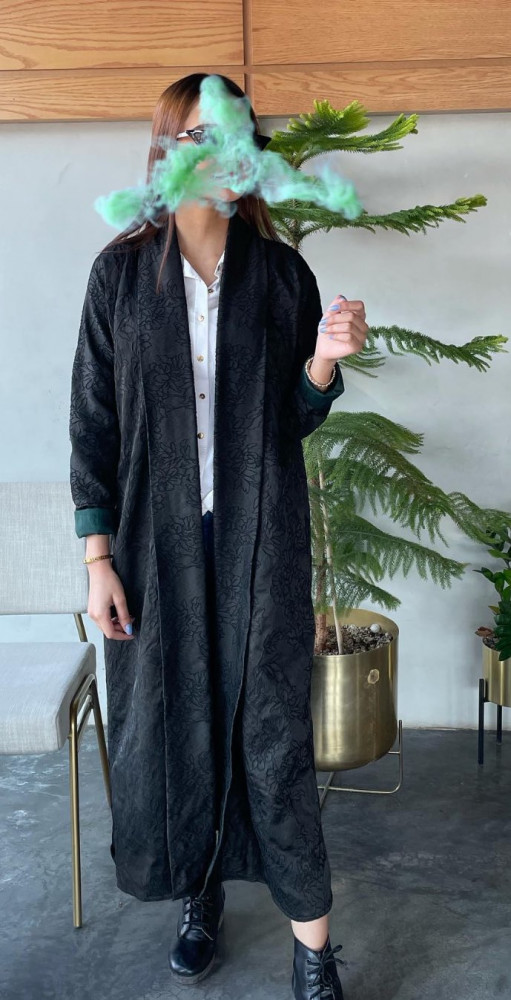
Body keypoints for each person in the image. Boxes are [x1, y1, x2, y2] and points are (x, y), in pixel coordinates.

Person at [69, 73, 368, 999]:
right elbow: (92, 426)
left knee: (272, 734)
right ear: (168, 147)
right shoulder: (121, 274)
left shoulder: (279, 276)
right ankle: (197, 895)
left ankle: (313, 947)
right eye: (200, 132)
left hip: (258, 543)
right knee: (174, 725)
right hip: (152, 552)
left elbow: (293, 421)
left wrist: (322, 364)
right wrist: (97, 559)